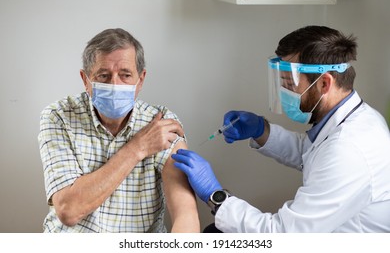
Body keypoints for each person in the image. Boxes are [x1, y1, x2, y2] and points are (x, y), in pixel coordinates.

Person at [172, 25, 390, 233]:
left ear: (324, 84)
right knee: (215, 232)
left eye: (290, 83)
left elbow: (282, 235)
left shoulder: (349, 149)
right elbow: (313, 152)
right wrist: (261, 130)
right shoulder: (354, 119)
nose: (285, 91)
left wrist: (215, 194)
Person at [38, 28, 200, 233]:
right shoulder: (59, 116)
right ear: (85, 80)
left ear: (140, 80)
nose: (115, 85)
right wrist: (138, 147)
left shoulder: (161, 124)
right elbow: (69, 210)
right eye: (104, 76)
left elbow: (186, 214)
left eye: (125, 75)